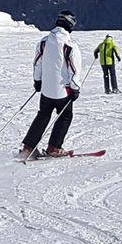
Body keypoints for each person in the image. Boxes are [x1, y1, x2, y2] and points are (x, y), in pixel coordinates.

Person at [21, 12, 81, 158]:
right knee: (65, 116)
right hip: (63, 91)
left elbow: (37, 63)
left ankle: (28, 148)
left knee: (43, 115)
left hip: (46, 90)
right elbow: (74, 70)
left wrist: (37, 81)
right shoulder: (70, 45)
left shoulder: (44, 42)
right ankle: (54, 147)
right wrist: (75, 89)